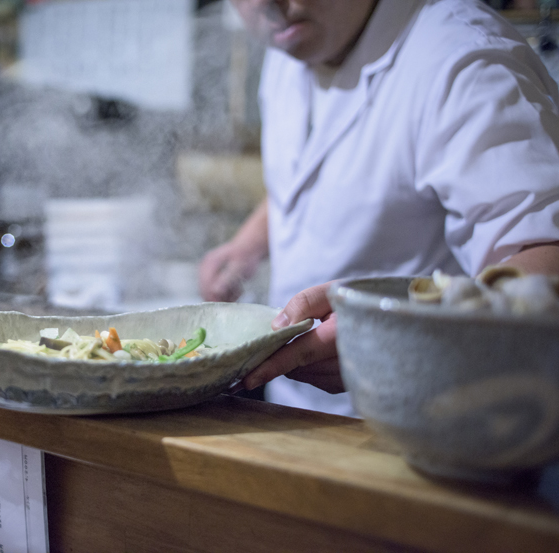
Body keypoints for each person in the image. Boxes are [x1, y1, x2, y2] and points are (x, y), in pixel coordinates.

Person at [199, 0, 559, 416]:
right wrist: (247, 246)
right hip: (295, 417)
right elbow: (315, 173)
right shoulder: (295, 44)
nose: (267, 4)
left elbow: (547, 256)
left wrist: (400, 337)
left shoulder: (464, 62)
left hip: (428, 424)